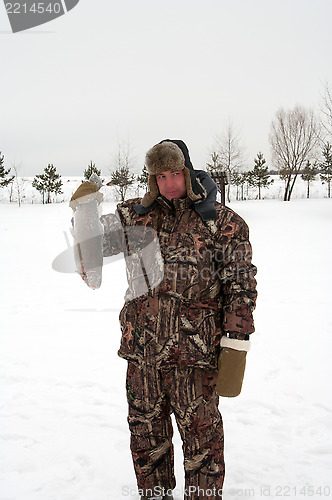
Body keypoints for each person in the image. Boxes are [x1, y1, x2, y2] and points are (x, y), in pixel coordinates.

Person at [70, 140, 257, 500]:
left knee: (202, 443)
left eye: (175, 174)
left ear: (187, 173)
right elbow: (89, 258)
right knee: (146, 440)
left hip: (196, 358)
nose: (169, 184)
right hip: (142, 355)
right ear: (152, 179)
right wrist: (84, 212)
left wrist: (235, 344)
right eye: (160, 176)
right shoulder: (133, 217)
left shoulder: (221, 222)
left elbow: (241, 284)